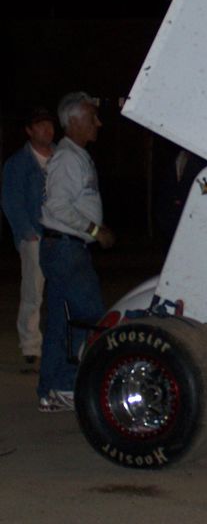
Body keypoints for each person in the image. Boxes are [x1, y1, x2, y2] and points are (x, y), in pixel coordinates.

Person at [37, 92, 115, 412]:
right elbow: (57, 205)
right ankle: (68, 384)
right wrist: (96, 230)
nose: (98, 122)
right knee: (91, 316)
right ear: (74, 122)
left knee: (60, 321)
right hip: (66, 248)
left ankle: (52, 390)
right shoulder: (68, 158)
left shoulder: (75, 155)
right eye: (92, 117)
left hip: (65, 247)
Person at [1, 108, 56, 372]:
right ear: (29, 131)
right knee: (33, 292)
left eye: (49, 124)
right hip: (35, 235)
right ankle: (31, 346)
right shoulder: (18, 163)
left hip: (59, 234)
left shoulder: (62, 157)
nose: (47, 129)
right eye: (40, 125)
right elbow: (11, 201)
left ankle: (59, 344)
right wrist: (27, 233)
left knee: (61, 290)